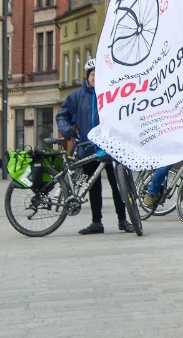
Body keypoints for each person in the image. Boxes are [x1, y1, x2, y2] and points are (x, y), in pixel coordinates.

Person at [57, 58, 134, 234]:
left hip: (112, 147)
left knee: (118, 186)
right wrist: (66, 129)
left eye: (99, 74)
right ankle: (96, 222)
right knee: (94, 186)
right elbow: (63, 115)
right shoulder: (76, 96)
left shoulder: (112, 93)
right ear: (88, 76)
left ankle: (123, 220)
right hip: (88, 147)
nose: (96, 78)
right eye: (93, 74)